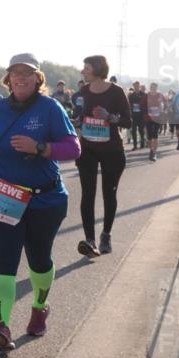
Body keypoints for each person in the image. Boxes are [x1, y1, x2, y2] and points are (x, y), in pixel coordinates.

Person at [0, 54, 80, 350]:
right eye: (15, 73)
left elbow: (73, 148)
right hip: (3, 195)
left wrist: (40, 147)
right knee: (3, 263)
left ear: (37, 78)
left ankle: (40, 307)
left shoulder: (50, 108)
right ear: (8, 79)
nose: (20, 77)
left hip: (45, 199)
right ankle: (1, 325)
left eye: (27, 73)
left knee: (39, 260)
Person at [76, 55, 131, 257]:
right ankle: (90, 240)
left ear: (98, 69)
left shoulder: (116, 92)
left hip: (112, 150)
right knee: (87, 194)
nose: (83, 71)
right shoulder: (83, 92)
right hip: (87, 149)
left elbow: (127, 121)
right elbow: (79, 115)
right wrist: (77, 120)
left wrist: (109, 117)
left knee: (109, 193)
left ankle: (106, 235)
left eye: (86, 67)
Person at [145, 82, 167, 162]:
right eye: (152, 87)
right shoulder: (147, 95)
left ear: (157, 88)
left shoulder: (160, 95)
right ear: (150, 88)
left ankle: (154, 153)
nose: (153, 89)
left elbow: (165, 103)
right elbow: (142, 105)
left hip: (157, 118)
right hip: (148, 118)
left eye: (154, 88)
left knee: (155, 135)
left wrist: (163, 110)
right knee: (149, 137)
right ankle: (151, 151)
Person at [129, 81, 147, 150]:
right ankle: (135, 145)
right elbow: (129, 104)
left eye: (137, 86)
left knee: (141, 130)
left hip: (141, 115)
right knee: (133, 131)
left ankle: (142, 143)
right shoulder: (131, 95)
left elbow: (146, 104)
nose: (136, 87)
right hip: (134, 115)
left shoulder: (143, 94)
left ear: (139, 86)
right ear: (133, 87)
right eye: (135, 86)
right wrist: (130, 112)